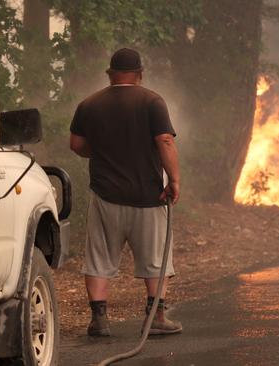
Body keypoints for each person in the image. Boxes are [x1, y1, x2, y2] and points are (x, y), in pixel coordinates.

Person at [69, 48, 182, 337]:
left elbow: (77, 145)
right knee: (156, 258)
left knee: (99, 258)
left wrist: (103, 151)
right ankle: (156, 317)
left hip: (105, 196)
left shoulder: (89, 104)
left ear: (110, 74)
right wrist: (175, 180)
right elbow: (166, 141)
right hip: (149, 196)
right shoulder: (152, 101)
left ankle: (99, 319)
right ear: (140, 74)